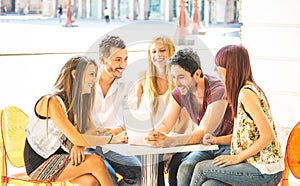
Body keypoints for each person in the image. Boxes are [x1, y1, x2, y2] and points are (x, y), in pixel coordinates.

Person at [190, 45, 284, 186]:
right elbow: (242, 136)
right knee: (210, 184)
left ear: (231, 67)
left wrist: (237, 157)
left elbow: (267, 136)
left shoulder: (246, 94)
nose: (215, 70)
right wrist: (215, 140)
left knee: (201, 168)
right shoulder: (244, 90)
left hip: (265, 171)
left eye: (219, 65)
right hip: (254, 166)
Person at [145, 48, 234, 185]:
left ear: (197, 74)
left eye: (181, 77)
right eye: (173, 77)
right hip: (206, 146)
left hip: (227, 146)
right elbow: (166, 125)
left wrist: (170, 141)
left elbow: (204, 132)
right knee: (184, 168)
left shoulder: (218, 90)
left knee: (190, 170)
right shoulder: (180, 92)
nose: (176, 83)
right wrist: (155, 137)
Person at [24, 56, 114, 186]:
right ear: (75, 74)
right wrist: (114, 139)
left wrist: (79, 145)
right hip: (40, 164)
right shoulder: (52, 101)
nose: (95, 80)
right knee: (96, 162)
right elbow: (79, 137)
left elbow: (90, 131)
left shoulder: (76, 103)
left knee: (91, 182)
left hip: (62, 158)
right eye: (91, 74)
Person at [86, 34, 141, 185]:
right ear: (103, 60)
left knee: (139, 172)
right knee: (108, 177)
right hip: (87, 144)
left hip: (113, 145)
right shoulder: (87, 81)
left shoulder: (128, 83)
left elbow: (132, 119)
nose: (123, 65)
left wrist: (117, 131)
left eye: (125, 59)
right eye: (118, 59)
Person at [136, 35, 191, 186]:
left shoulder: (180, 80)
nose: (158, 55)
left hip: (178, 141)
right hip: (153, 143)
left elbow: (183, 124)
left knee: (173, 168)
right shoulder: (142, 79)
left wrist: (170, 149)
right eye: (153, 51)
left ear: (171, 53)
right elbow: (137, 115)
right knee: (146, 167)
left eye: (162, 50)